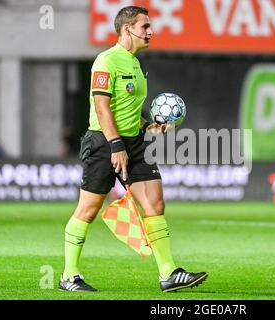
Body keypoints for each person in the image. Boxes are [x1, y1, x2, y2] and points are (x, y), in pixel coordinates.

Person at [59, 6, 208, 293]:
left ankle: (168, 273)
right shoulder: (106, 61)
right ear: (127, 29)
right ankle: (69, 275)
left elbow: (126, 109)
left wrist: (148, 125)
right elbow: (102, 108)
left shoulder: (136, 64)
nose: (151, 32)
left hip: (135, 142)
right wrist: (116, 145)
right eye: (145, 27)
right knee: (88, 210)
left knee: (155, 204)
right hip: (103, 142)